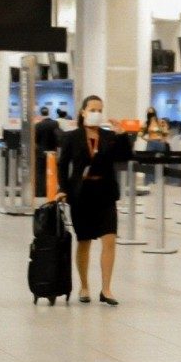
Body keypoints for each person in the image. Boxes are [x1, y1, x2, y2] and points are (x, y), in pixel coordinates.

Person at [56, 95, 136, 306]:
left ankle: (106, 288)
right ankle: (84, 285)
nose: (96, 113)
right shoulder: (72, 137)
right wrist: (62, 188)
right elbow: (63, 165)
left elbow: (125, 156)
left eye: (99, 109)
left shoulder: (108, 136)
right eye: (92, 109)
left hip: (105, 192)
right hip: (82, 193)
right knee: (84, 241)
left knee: (109, 239)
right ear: (83, 112)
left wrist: (122, 135)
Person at [35, 107, 61, 197]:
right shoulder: (55, 124)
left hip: (41, 153)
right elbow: (57, 137)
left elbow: (36, 140)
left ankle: (40, 192)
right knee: (52, 173)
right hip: (52, 153)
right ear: (48, 112)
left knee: (40, 174)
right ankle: (51, 191)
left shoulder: (38, 125)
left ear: (40, 114)